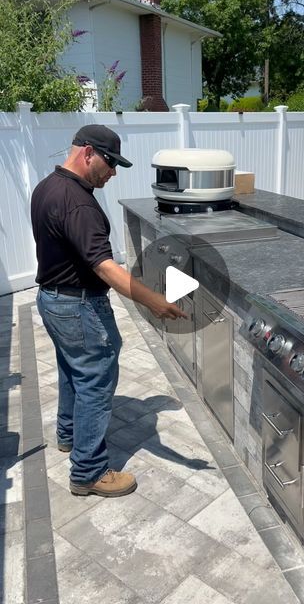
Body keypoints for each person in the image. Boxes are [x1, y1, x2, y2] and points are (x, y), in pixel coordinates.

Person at [31, 124, 186, 498]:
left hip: (53, 299)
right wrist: (155, 301)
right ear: (88, 153)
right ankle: (88, 471)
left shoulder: (48, 187)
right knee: (96, 382)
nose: (113, 172)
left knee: (73, 370)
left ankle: (68, 435)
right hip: (77, 305)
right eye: (110, 163)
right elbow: (104, 266)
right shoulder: (78, 202)